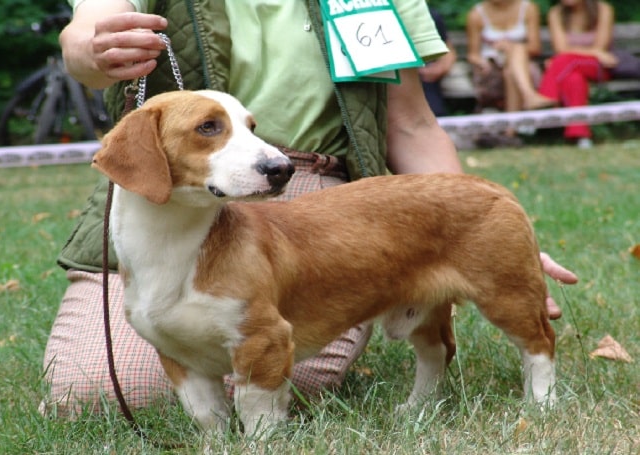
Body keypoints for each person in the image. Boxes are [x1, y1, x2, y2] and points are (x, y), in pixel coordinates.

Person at [40, 0, 577, 417]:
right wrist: (91, 48)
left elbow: (412, 123)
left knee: (282, 367)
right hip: (165, 195)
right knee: (96, 392)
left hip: (317, 191)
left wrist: (475, 234)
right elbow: (86, 31)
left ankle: (490, 369)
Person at [466, 0, 556, 144]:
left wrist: (509, 46)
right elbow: (473, 54)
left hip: (522, 67)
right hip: (492, 68)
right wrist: (481, 62)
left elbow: (535, 47)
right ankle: (529, 97)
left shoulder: (528, 8)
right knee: (517, 50)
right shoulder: (476, 14)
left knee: (515, 56)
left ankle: (510, 132)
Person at [537, 0, 616, 149]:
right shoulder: (556, 13)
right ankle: (580, 136)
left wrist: (567, 56)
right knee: (574, 79)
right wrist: (593, 52)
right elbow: (561, 48)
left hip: (598, 67)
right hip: (567, 69)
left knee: (562, 61)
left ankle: (546, 98)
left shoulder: (603, 9)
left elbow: (600, 47)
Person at [421, 7, 457, 117]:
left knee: (435, 112)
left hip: (427, 77)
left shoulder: (430, 15)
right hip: (401, 74)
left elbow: (448, 51)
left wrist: (441, 68)